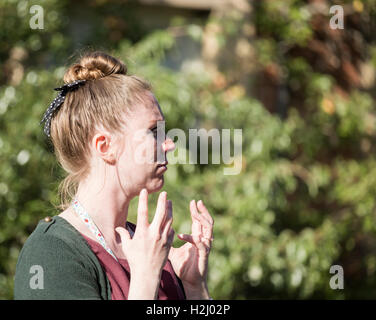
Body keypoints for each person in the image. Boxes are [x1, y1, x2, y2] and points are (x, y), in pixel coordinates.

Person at [14, 51, 214, 300]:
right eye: (154, 131)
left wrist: (194, 287)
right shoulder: (51, 252)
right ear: (104, 147)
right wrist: (145, 278)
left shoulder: (150, 247)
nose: (169, 144)